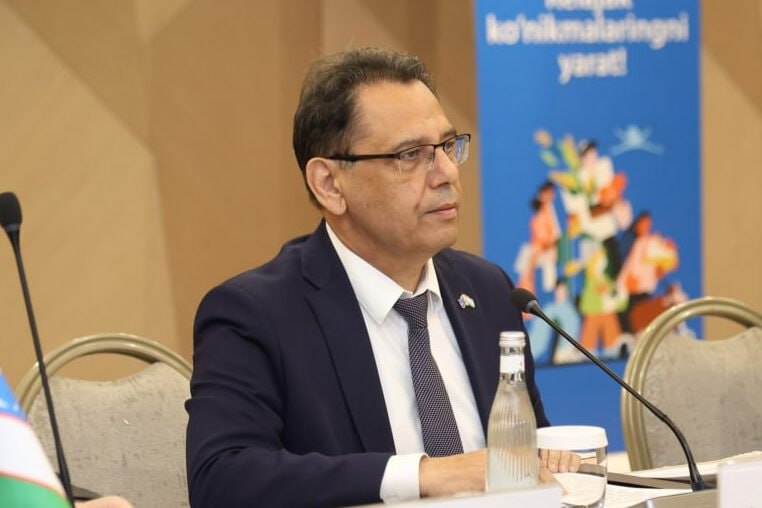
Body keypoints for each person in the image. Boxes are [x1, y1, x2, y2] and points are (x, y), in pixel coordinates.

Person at [186, 47, 556, 508]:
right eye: (410, 155)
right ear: (329, 184)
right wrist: (423, 475)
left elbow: (529, 455)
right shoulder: (256, 315)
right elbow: (222, 478)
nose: (446, 174)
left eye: (447, 146)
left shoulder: (489, 291)